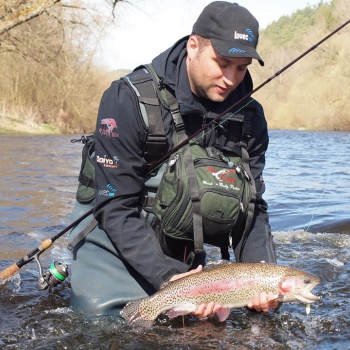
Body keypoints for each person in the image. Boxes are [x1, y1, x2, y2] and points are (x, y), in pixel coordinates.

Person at [68, 1, 277, 321]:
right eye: (222, 63)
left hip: (184, 249)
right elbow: (115, 206)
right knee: (108, 330)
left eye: (241, 67)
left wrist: (263, 277)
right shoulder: (128, 99)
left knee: (227, 329)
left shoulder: (250, 117)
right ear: (193, 45)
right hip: (113, 239)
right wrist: (168, 278)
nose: (231, 77)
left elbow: (254, 208)